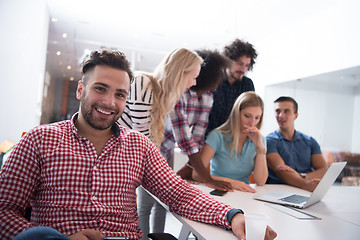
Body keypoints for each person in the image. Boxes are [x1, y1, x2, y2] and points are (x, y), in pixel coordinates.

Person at [0, 49, 277, 240]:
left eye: (120, 94)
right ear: (81, 89)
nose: (110, 102)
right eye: (100, 89)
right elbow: (4, 210)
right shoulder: (39, 140)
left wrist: (232, 215)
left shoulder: (139, 146)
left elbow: (179, 194)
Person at [117, 48, 231, 240]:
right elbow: (142, 141)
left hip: (148, 155)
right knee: (144, 205)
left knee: (161, 202)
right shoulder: (143, 84)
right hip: (122, 157)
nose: (195, 82)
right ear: (180, 73)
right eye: (193, 77)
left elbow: (164, 142)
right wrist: (172, 179)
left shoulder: (166, 97)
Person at [161, 49, 230, 182]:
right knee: (148, 198)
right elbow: (185, 140)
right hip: (156, 147)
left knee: (163, 194)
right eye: (219, 74)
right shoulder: (180, 94)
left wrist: (188, 169)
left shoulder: (208, 98)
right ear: (209, 75)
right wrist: (207, 178)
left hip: (168, 150)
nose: (222, 79)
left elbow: (198, 137)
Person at [192, 92, 268, 192]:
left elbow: (261, 181)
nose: (252, 123)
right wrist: (231, 182)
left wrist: (260, 148)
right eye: (247, 116)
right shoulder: (217, 136)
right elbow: (196, 174)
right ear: (237, 114)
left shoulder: (260, 139)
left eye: (257, 118)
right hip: (220, 191)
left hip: (244, 194)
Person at [266, 96, 328, 192]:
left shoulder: (310, 141)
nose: (281, 115)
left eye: (286, 111)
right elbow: (281, 171)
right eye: (278, 111)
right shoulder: (269, 141)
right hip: (278, 191)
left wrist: (302, 176)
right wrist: (306, 184)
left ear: (296, 115)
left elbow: (323, 170)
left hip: (306, 190)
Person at [206, 39, 258, 136]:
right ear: (228, 61)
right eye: (240, 63)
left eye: (247, 65)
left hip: (232, 140)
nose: (243, 69)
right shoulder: (213, 79)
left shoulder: (247, 85)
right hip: (208, 137)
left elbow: (250, 113)